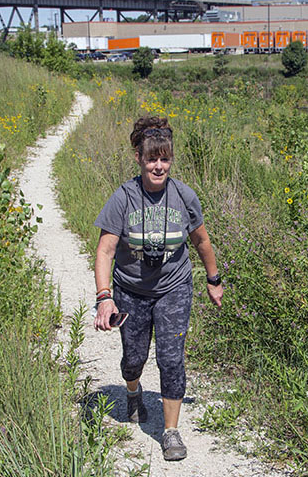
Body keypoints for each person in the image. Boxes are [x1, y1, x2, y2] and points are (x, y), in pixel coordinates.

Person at [93, 115, 223, 461]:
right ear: (138, 156)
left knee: (171, 358)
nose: (159, 166)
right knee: (134, 358)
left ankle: (170, 431)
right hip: (130, 291)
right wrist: (104, 299)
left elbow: (202, 241)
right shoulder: (123, 198)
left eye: (165, 158)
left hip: (174, 288)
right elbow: (105, 251)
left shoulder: (184, 196)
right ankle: (133, 392)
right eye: (152, 158)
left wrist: (214, 280)